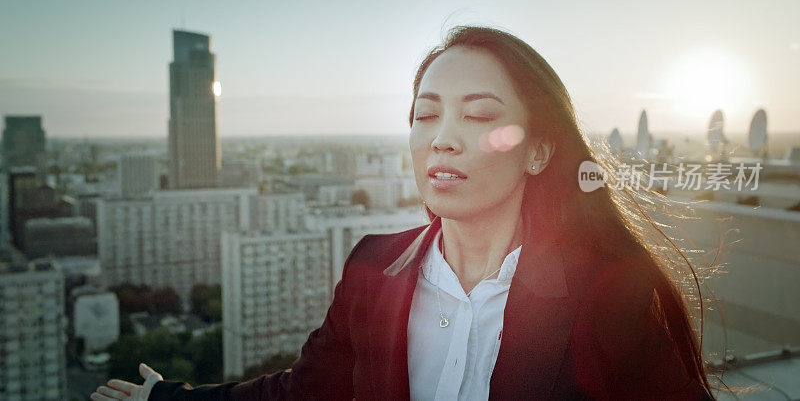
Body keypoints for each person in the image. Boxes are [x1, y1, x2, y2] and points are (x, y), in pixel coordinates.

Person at [92, 25, 716, 400]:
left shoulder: (607, 292)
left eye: (478, 116)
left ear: (539, 150)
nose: (442, 138)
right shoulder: (374, 267)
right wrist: (170, 398)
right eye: (425, 114)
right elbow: (305, 393)